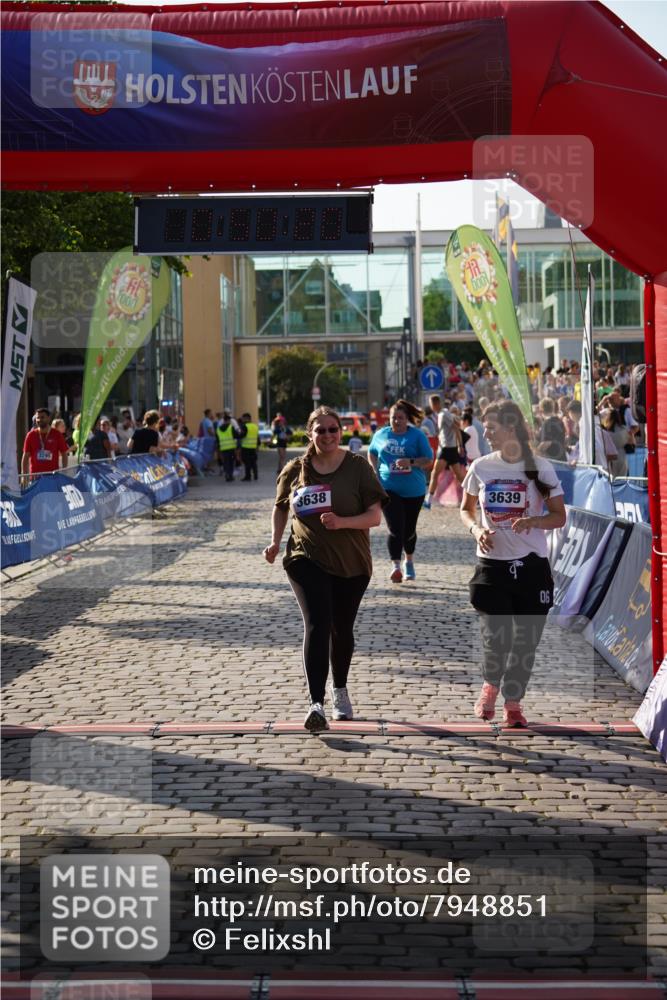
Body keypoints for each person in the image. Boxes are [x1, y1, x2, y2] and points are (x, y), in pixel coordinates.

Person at [263, 406, 386, 732]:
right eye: (321, 431)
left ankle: (339, 689)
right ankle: (316, 703)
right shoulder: (295, 469)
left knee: (341, 629)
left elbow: (375, 517)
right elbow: (279, 508)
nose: (328, 436)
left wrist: (342, 522)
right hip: (305, 557)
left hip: (352, 562)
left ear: (341, 432)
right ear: (310, 434)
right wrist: (275, 541)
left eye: (333, 430)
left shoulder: (358, 468)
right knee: (318, 621)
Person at [460, 400, 566, 728]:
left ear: (510, 427)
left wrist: (533, 521)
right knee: (497, 636)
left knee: (526, 641)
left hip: (532, 568)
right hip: (492, 566)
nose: (485, 433)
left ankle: (514, 703)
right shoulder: (481, 467)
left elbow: (559, 517)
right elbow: (465, 509)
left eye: (491, 428)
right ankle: (490, 686)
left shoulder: (541, 468)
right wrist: (478, 529)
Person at [368, 399, 433, 583]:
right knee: (395, 528)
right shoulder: (381, 435)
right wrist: (375, 470)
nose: (397, 421)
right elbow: (372, 452)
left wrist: (410, 462)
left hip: (414, 490)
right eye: (393, 418)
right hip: (388, 489)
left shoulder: (417, 436)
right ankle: (396, 566)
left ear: (407, 419)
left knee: (409, 529)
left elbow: (428, 460)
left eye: (401, 418)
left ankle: (409, 560)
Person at [424, 396, 466, 509]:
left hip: (446, 449)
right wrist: (459, 445)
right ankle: (473, 495)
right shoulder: (442, 414)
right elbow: (455, 428)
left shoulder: (443, 414)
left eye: (431, 404)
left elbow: (456, 427)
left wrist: (459, 445)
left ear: (435, 404)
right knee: (459, 476)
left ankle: (428, 501)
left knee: (435, 473)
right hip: (449, 448)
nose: (430, 407)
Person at [21, 408, 69, 480]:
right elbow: (25, 457)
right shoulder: (30, 435)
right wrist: (24, 476)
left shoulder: (57, 434)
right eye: (38, 418)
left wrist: (64, 471)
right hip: (35, 478)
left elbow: (64, 454)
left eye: (42, 417)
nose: (39, 420)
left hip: (53, 477)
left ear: (49, 418)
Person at [216, 411, 238, 481]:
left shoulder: (218, 429)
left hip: (223, 448)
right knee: (231, 462)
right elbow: (236, 436)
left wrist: (218, 448)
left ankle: (226, 474)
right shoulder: (231, 428)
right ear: (228, 420)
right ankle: (230, 475)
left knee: (225, 462)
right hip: (231, 448)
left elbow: (217, 439)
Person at [238, 412, 259, 481]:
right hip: (253, 447)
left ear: (246, 418)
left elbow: (242, 435)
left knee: (247, 462)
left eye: (243, 418)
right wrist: (257, 445)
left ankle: (248, 476)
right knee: (253, 462)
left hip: (246, 447)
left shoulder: (245, 426)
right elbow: (257, 438)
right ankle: (255, 475)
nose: (242, 420)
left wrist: (238, 435)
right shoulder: (255, 426)